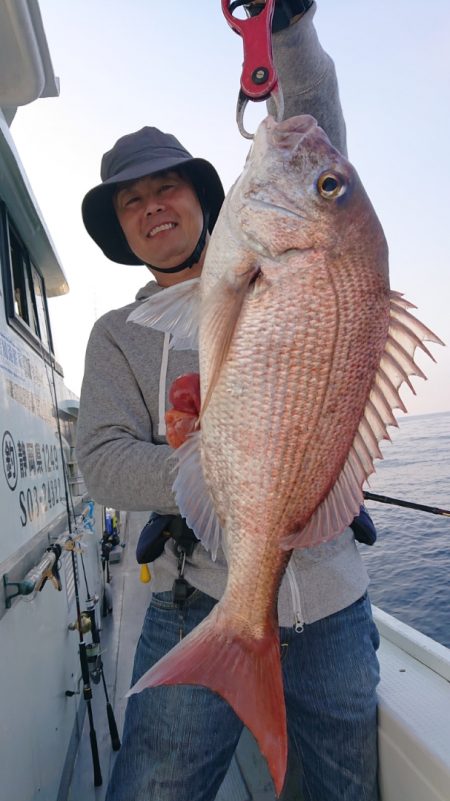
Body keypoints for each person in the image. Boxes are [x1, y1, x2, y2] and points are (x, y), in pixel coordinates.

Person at [77, 3, 380, 800]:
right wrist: (207, 468)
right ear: (122, 230)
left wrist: (287, 26)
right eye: (131, 201)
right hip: (199, 601)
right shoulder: (118, 333)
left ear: (204, 195)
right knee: (154, 788)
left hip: (334, 599)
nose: (152, 207)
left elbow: (314, 117)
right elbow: (102, 462)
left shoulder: (289, 259)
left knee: (342, 788)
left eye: (167, 186)